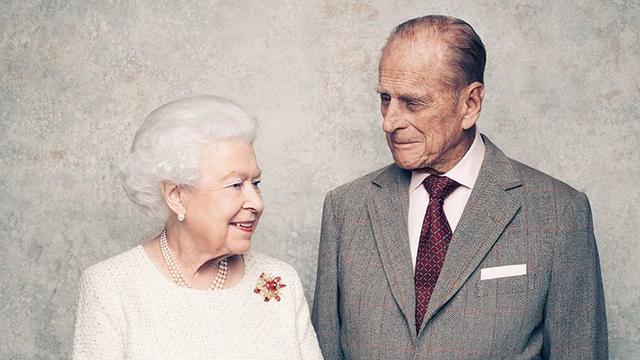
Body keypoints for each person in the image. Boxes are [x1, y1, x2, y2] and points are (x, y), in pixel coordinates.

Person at [312, 15, 607, 359]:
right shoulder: (345, 209)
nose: (389, 121)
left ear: (470, 104)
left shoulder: (558, 213)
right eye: (385, 98)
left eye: (413, 102)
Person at [72, 95, 323, 359]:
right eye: (235, 185)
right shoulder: (111, 287)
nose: (256, 203)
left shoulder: (280, 280)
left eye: (256, 183)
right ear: (177, 196)